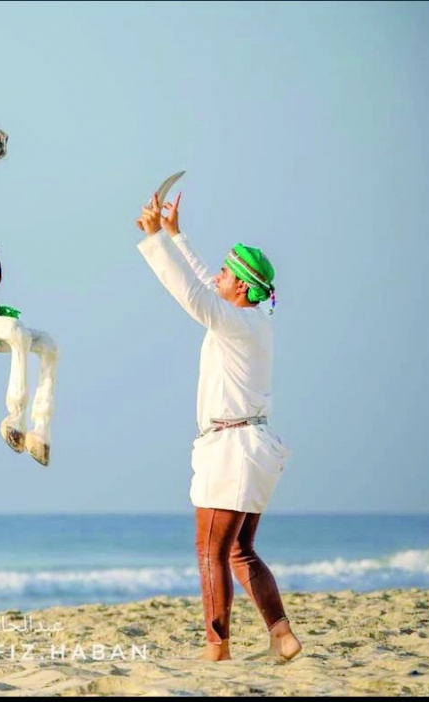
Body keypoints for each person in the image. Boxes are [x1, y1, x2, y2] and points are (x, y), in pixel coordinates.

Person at [134, 191, 302, 662]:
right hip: (253, 447)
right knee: (239, 551)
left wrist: (155, 239)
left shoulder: (235, 323)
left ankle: (217, 650)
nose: (217, 275)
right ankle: (282, 635)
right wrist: (176, 236)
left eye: (226, 273)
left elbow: (192, 294)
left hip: (233, 448)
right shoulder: (250, 321)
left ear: (243, 288)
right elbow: (205, 286)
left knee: (211, 551)